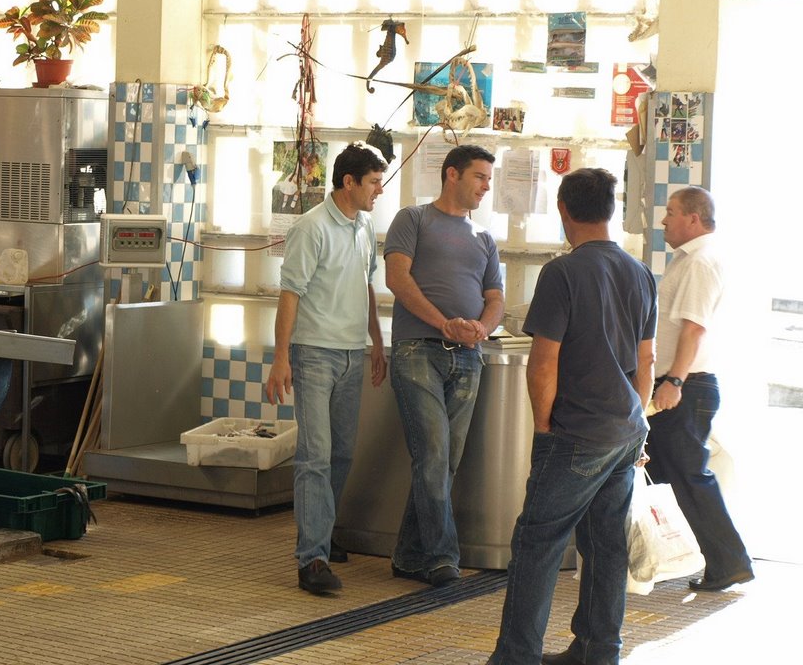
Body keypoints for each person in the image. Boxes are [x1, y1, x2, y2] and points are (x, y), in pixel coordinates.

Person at [489, 168, 657, 665]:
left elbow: (544, 362)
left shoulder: (562, 273)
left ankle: (516, 657)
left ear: (564, 210)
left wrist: (543, 428)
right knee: (606, 546)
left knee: (538, 543)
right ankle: (597, 651)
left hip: (575, 433)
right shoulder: (640, 272)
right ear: (610, 210)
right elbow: (645, 361)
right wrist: (638, 419)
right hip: (623, 429)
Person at [265, 142, 388, 596]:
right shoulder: (311, 228)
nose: (379, 190)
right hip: (314, 354)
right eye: (373, 182)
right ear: (349, 182)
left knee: (341, 455)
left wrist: (375, 340)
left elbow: (367, 286)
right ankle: (311, 559)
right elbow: (290, 293)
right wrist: (281, 358)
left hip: (353, 353)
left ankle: (325, 533)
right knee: (315, 455)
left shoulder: (365, 224)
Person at [383, 144, 505, 588]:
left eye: (489, 179)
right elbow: (397, 278)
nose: (486, 186)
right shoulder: (412, 219)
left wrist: (481, 329)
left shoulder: (484, 238)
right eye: (479, 177)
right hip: (418, 349)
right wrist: (444, 323)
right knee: (433, 453)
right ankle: (440, 556)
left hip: (467, 358)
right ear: (451, 174)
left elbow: (496, 298)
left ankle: (408, 556)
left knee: (446, 459)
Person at [646, 186, 753, 592]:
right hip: (681, 383)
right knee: (661, 475)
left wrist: (674, 380)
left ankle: (729, 562)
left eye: (670, 212)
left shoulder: (701, 262)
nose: (664, 221)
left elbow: (693, 328)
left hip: (687, 386)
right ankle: (674, 557)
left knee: (691, 477)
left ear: (693, 218)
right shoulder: (690, 260)